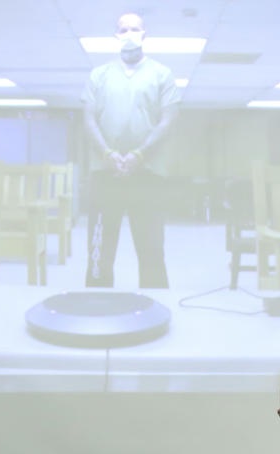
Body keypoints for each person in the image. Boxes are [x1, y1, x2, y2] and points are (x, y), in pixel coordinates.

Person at [81, 12, 181, 288]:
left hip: (147, 175)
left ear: (144, 34)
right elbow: (89, 119)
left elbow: (168, 120)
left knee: (151, 249)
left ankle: (155, 306)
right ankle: (97, 307)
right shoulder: (98, 76)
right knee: (100, 252)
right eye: (122, 29)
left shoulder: (162, 74)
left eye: (134, 28)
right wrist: (107, 154)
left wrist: (140, 154)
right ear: (115, 35)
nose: (128, 34)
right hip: (105, 174)